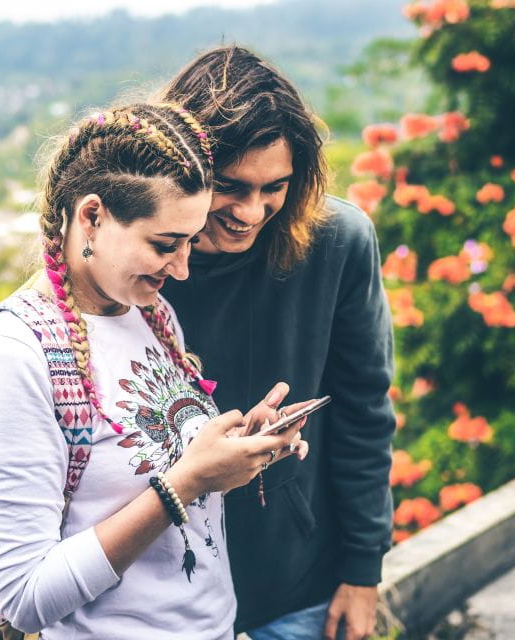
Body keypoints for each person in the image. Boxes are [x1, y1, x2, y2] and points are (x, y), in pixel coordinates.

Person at [0, 102, 309, 639]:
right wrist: (187, 480)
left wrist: (237, 452)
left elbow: (158, 469)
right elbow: (24, 599)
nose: (181, 268)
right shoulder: (16, 360)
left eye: (189, 241)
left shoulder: (150, 313)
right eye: (164, 245)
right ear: (92, 216)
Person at [159, 47, 397, 640]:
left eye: (275, 189)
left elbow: (364, 412)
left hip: (296, 583)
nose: (250, 211)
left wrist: (363, 571)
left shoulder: (337, 243)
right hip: (162, 595)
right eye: (229, 187)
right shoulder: (138, 266)